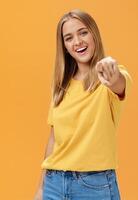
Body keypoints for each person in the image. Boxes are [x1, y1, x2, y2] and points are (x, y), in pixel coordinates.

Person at [34, 9, 131, 200]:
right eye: (69, 38)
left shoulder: (109, 79)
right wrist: (40, 188)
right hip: (54, 183)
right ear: (65, 47)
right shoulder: (61, 87)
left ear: (94, 34)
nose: (77, 42)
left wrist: (111, 74)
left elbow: (119, 84)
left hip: (94, 186)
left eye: (83, 32)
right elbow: (53, 140)